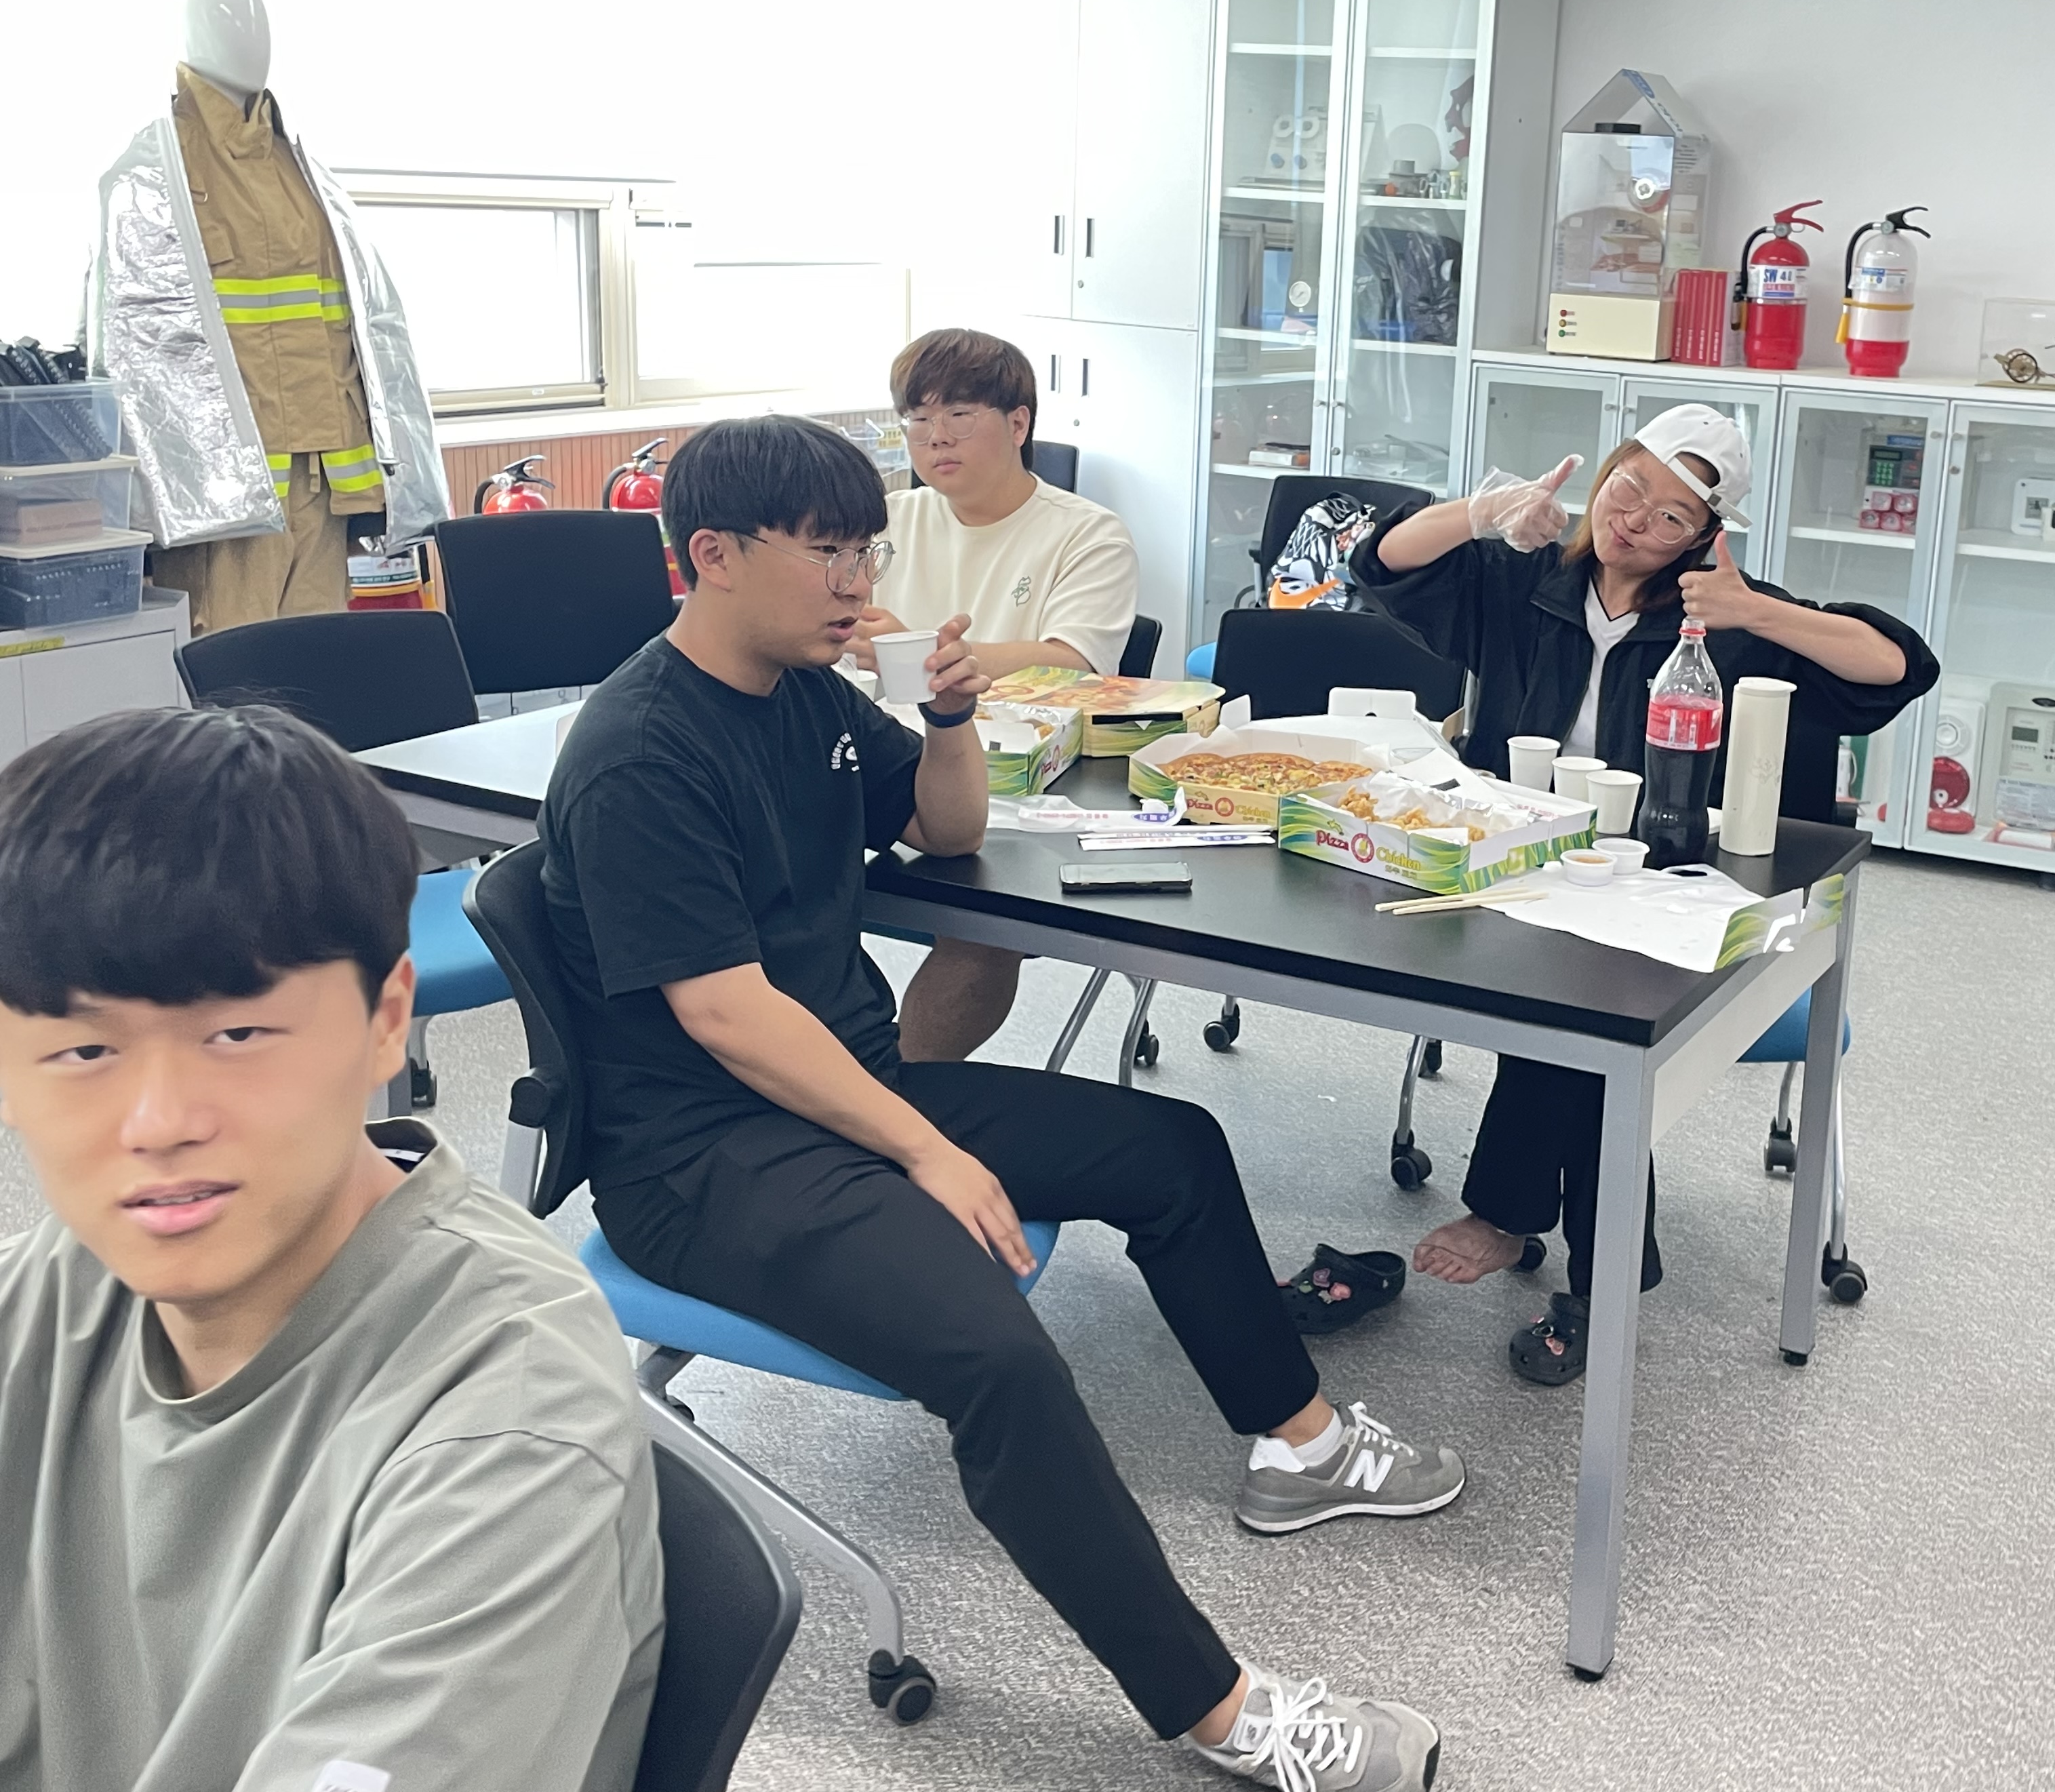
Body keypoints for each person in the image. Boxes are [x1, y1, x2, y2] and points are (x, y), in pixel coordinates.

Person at [542, 414, 1458, 1789]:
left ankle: (1300, 1445)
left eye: (866, 549)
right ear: (715, 556)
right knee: (1001, 1359)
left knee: (1171, 1147)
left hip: (842, 1091)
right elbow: (724, 1013)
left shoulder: (803, 689)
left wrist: (949, 716)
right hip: (704, 1157)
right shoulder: (640, 750)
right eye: (829, 552)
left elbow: (948, 826)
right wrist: (928, 1150)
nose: (858, 581)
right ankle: (1219, 1712)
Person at [0, 705, 662, 1791]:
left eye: (237, 1034)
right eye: (83, 1051)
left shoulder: (506, 1412)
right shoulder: (60, 1285)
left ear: (386, 1019)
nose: (157, 1124)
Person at [1352, 404, 1938, 1383]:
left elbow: (1900, 666)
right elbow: (1382, 562)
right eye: (1630, 488)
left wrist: (1757, 613)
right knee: (1567, 1013)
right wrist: (1483, 513)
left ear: (1703, 536)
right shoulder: (1528, 576)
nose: (1635, 521)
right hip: (1518, 863)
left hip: (1657, 882)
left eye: (1672, 516)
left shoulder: (1722, 615)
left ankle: (1537, 1234)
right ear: (1607, 471)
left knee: (1590, 1023)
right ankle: (1587, 1261)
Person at [852, 327, 1141, 1062]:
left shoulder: (1087, 534)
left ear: (1019, 423)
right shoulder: (886, 519)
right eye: (918, 418)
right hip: (878, 759)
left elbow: (1075, 665)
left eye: (959, 415)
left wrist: (921, 652)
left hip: (1017, 785)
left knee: (984, 928)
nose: (935, 438)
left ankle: (901, 1090)